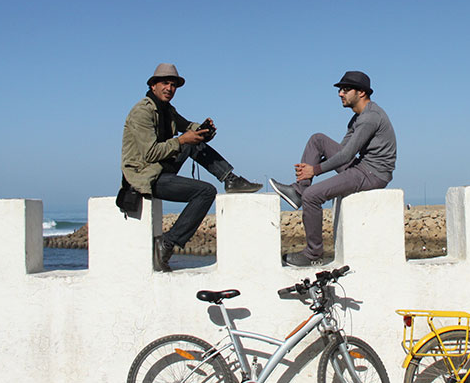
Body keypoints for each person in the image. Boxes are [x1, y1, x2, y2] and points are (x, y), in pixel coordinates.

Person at [121, 63, 262, 272]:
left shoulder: (167, 110)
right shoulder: (142, 112)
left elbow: (187, 126)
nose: (169, 88)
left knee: (194, 142)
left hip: (161, 168)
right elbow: (149, 153)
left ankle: (230, 179)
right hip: (145, 176)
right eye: (165, 83)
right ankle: (166, 244)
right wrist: (181, 140)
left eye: (173, 85)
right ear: (153, 86)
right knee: (206, 192)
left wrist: (203, 129)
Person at [269, 71, 396, 266]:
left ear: (361, 93)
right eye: (340, 90)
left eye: (345, 89)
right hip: (362, 167)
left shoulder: (370, 117)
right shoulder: (356, 118)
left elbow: (346, 156)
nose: (340, 94)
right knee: (317, 139)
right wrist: (316, 163)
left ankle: (313, 255)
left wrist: (315, 170)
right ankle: (298, 191)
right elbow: (343, 151)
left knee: (313, 196)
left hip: (373, 174)